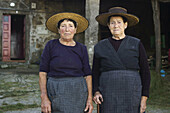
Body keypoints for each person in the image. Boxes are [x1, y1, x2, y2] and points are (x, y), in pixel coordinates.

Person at [92, 7, 151, 113]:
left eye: (119, 22)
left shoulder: (136, 44)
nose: (116, 26)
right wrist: (96, 91)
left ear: (125, 25)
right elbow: (95, 72)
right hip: (107, 92)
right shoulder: (100, 46)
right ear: (108, 26)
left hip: (132, 91)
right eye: (112, 23)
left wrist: (144, 97)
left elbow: (145, 72)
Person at [39, 12, 93, 113]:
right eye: (63, 26)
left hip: (78, 91)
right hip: (55, 90)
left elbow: (88, 75)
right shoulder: (51, 45)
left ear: (75, 30)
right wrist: (44, 97)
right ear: (59, 30)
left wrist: (89, 99)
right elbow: (42, 72)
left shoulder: (82, 48)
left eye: (71, 26)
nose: (67, 29)